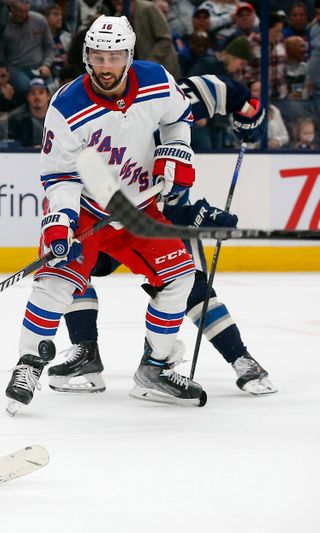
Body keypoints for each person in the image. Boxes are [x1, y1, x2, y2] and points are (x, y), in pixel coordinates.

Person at [4, 16, 204, 415]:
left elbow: (178, 119)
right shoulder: (67, 105)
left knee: (181, 278)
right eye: (98, 56)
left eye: (114, 56)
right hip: (85, 208)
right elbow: (59, 173)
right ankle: (28, 364)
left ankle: (155, 368)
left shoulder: (157, 80)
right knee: (55, 282)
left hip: (138, 206)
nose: (106, 65)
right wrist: (60, 218)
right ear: (86, 57)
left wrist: (175, 151)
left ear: (129, 56)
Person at [47, 74, 276, 397]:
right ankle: (86, 352)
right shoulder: (109, 121)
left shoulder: (173, 96)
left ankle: (239, 359)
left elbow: (226, 90)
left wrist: (250, 113)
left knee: (189, 284)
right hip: (103, 210)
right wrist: (198, 216)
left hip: (153, 212)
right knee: (75, 267)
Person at [6, 77, 50, 147]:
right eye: (33, 93)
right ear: (28, 97)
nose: (37, 97)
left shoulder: (56, 118)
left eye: (41, 93)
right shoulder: (17, 119)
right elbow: (12, 144)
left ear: (48, 96)